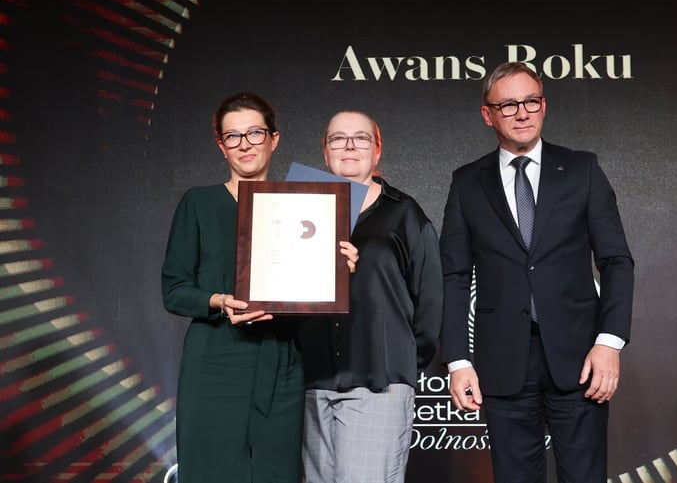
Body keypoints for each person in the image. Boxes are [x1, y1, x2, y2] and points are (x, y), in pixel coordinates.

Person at [438, 62, 634, 483]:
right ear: (487, 114)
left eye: (531, 101)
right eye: (508, 105)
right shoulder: (467, 182)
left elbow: (616, 260)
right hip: (502, 361)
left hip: (581, 358)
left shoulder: (582, 169)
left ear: (544, 106)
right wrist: (457, 360)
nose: (522, 113)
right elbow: (453, 274)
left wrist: (609, 343)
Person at [161, 91, 358, 483]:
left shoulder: (305, 205)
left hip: (281, 362)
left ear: (274, 139)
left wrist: (339, 272)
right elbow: (174, 289)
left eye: (254, 132)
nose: (244, 144)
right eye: (232, 136)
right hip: (214, 361)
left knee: (276, 474)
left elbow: (312, 297)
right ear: (221, 145)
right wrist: (218, 300)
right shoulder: (198, 203)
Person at [298, 109, 444, 483]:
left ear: (377, 150)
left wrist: (400, 363)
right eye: (338, 138)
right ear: (324, 151)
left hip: (378, 381)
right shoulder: (297, 213)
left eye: (361, 138)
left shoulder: (404, 214)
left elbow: (430, 302)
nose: (349, 146)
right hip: (313, 383)